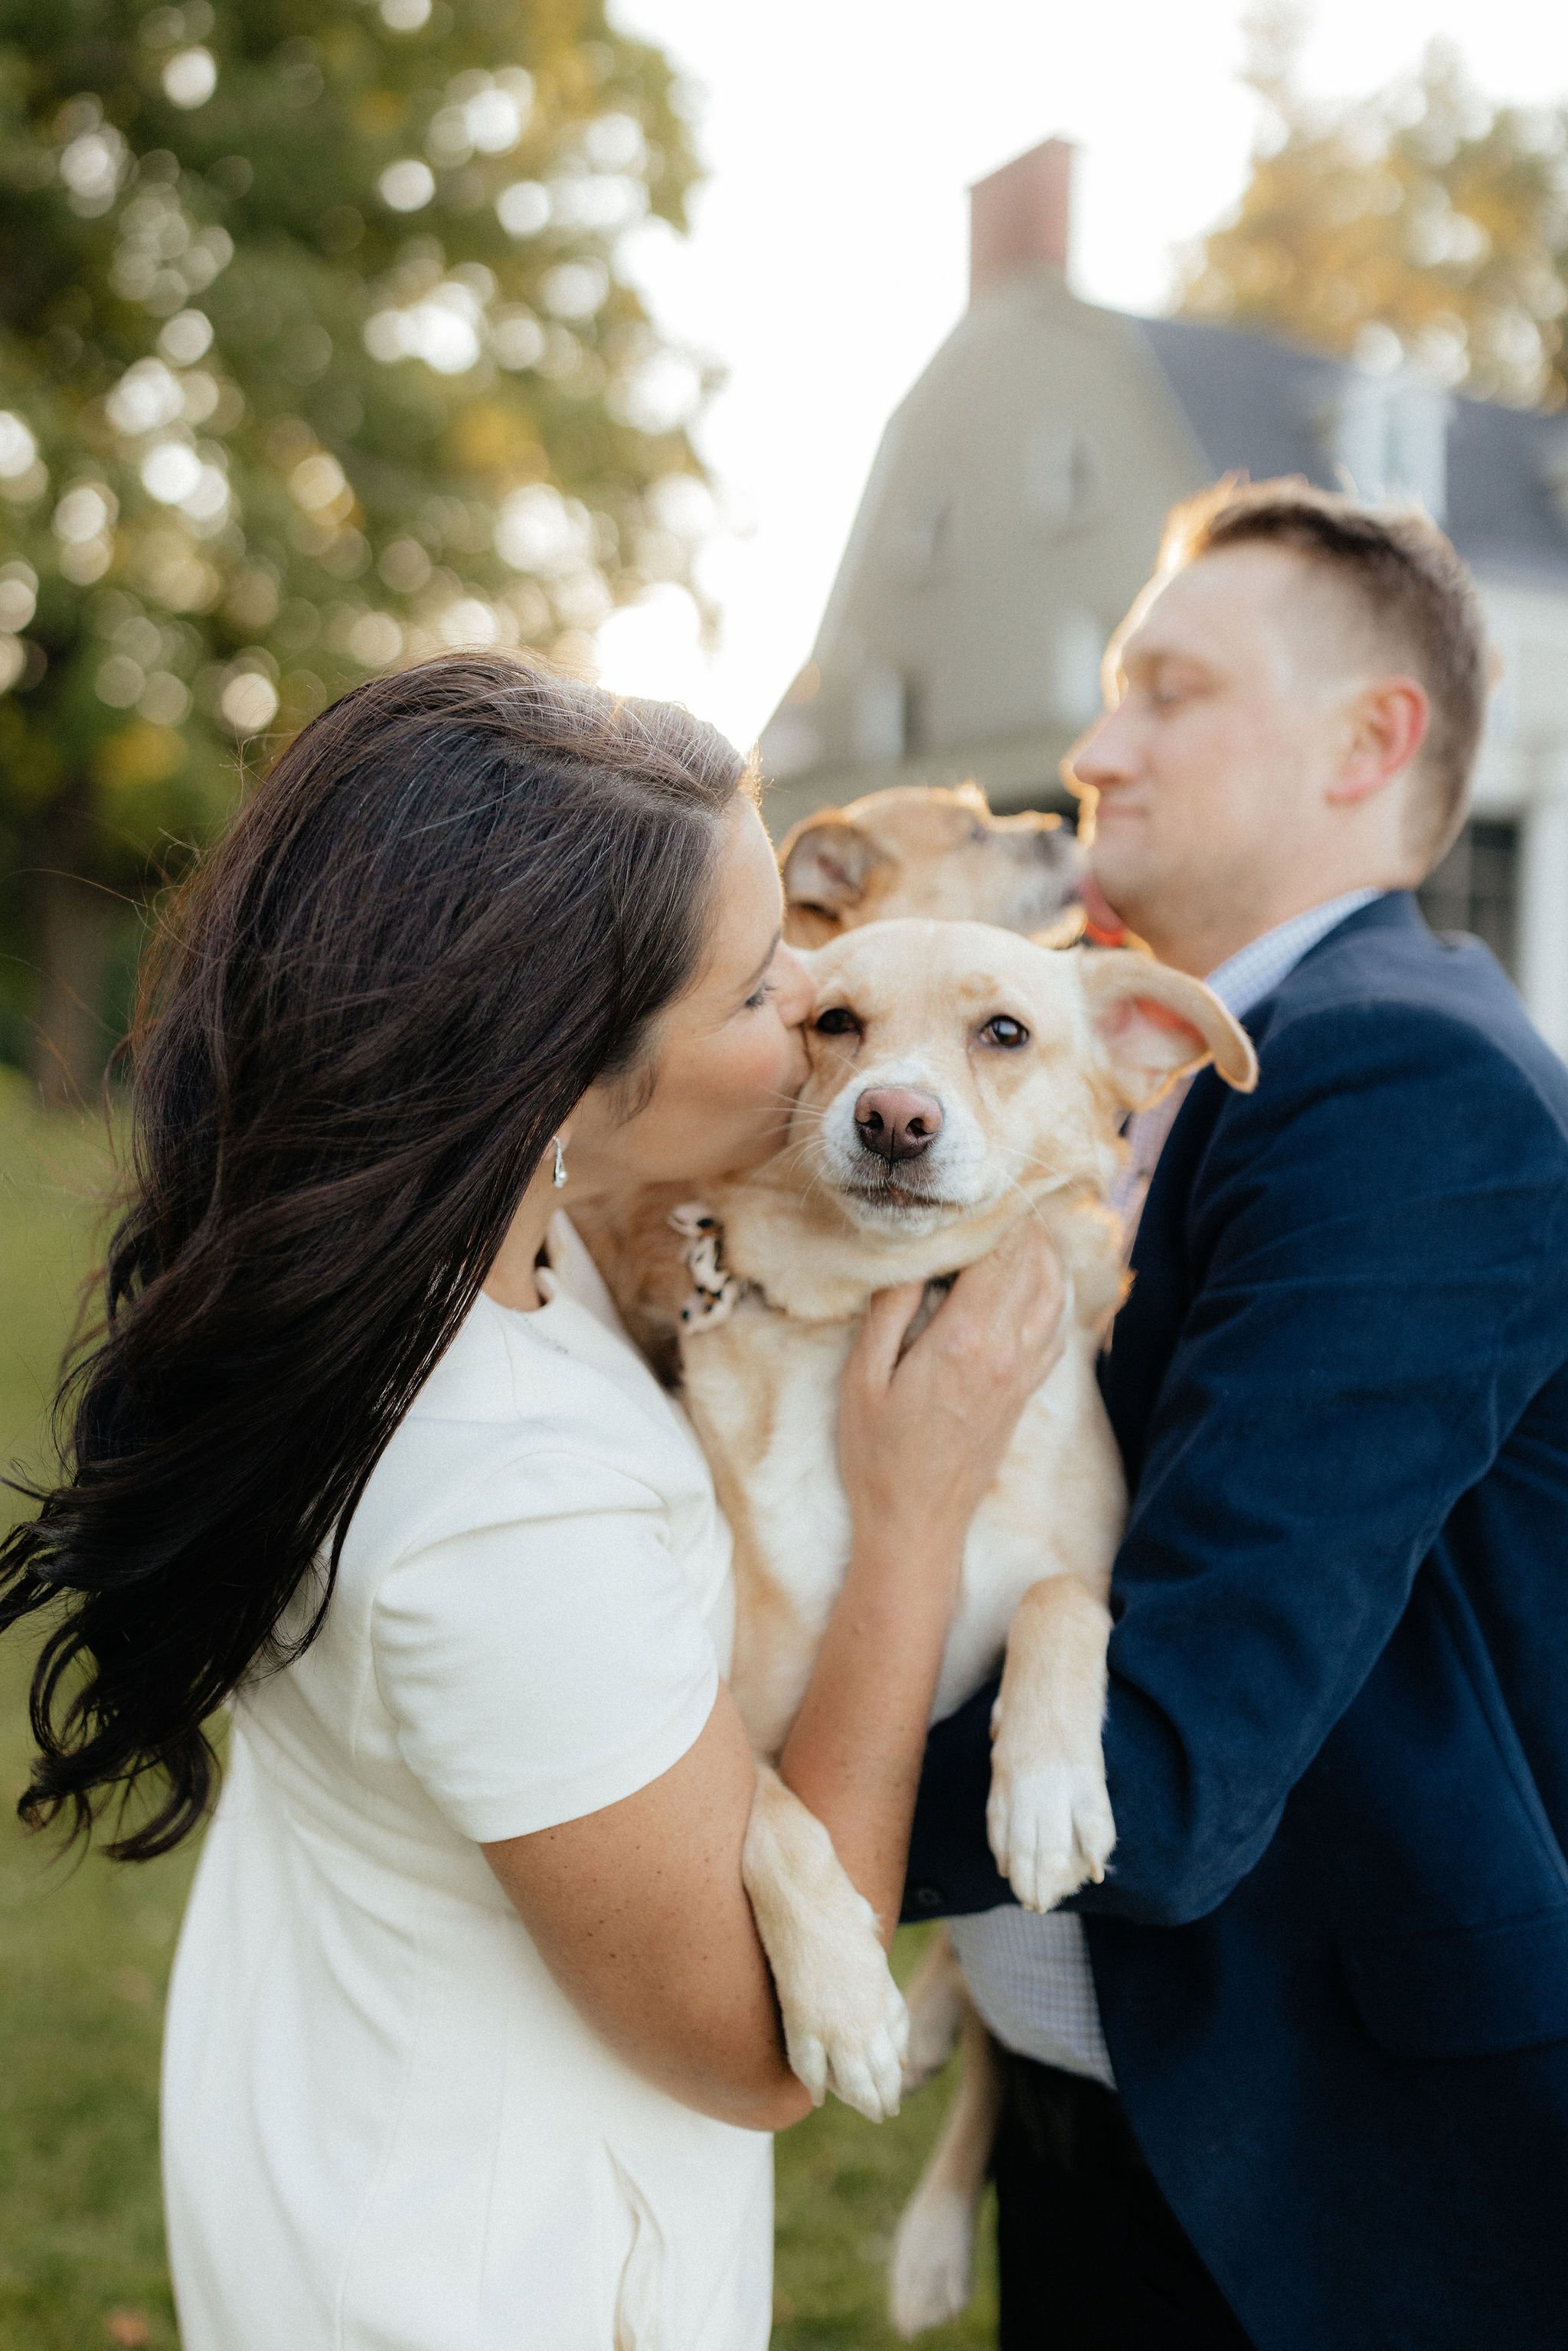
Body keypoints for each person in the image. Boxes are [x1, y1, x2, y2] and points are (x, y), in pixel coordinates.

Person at [0, 655, 1063, 2351]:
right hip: (496, 2273)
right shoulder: (511, 1517)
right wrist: (916, 1523)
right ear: (550, 1075)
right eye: (744, 992)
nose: (807, 993)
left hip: (344, 2125)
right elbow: (752, 2040)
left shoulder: (396, 1262)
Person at [904, 480, 1568, 2351]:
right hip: (1107, 2104)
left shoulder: (1399, 1077)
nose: (1093, 747)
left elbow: (1174, 1762)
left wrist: (670, 1822)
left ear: (1374, 738)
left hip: (1328, 2179)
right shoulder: (1151, 1070)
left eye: (1167, 691)